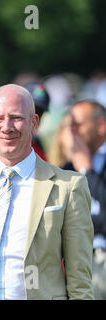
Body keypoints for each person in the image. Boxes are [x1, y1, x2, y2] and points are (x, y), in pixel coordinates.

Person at [0, 84, 94, 300]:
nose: (6, 127)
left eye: (16, 117)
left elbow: (80, 281)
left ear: (34, 123)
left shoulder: (68, 186)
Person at [62, 100, 106, 299]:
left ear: (101, 126)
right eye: (69, 125)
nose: (72, 131)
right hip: (76, 260)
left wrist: (87, 171)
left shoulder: (83, 165)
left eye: (77, 124)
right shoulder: (68, 167)